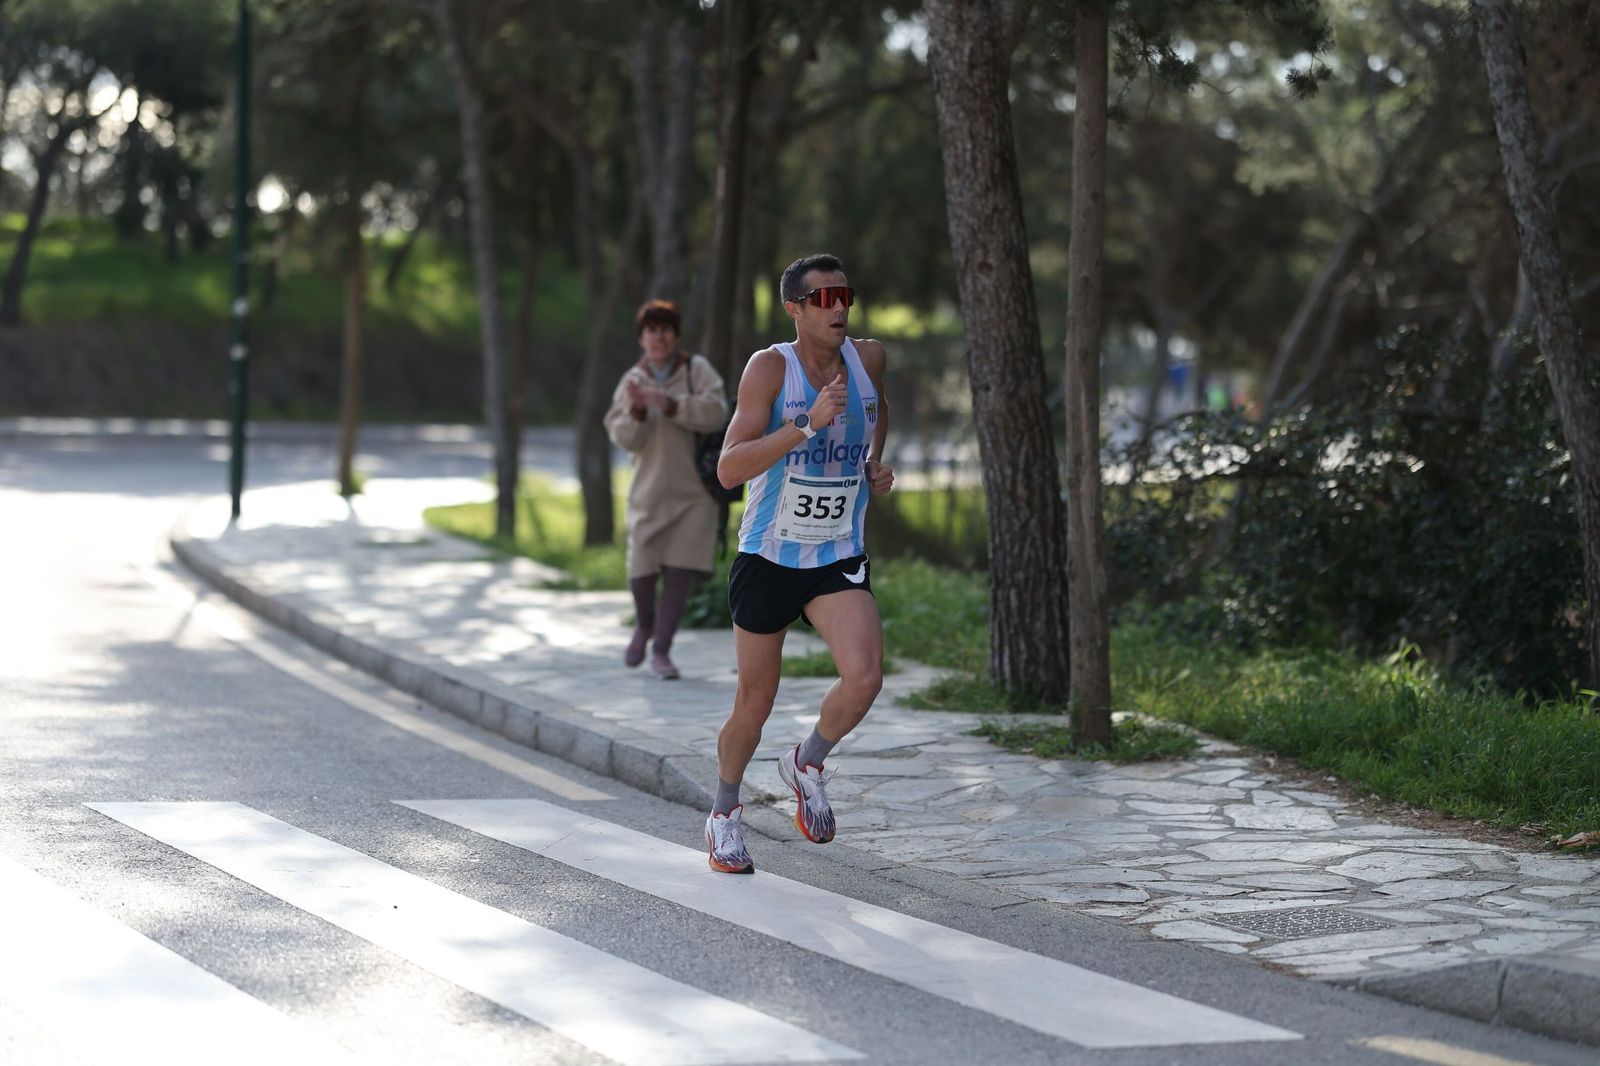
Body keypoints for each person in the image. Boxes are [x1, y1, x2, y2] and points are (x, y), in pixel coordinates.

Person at [703, 253, 894, 874]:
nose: (839, 307)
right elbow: (730, 468)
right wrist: (806, 427)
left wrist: (871, 462)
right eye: (824, 298)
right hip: (769, 554)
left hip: (835, 551)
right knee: (755, 701)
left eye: (846, 295)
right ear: (795, 309)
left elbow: (876, 408)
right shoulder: (769, 370)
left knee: (864, 678)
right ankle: (725, 812)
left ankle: (807, 760)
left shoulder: (868, 360)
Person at [603, 299, 730, 680]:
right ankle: (644, 625)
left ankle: (661, 650)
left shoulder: (697, 370)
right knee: (641, 573)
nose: (658, 337)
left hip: (696, 495)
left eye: (664, 329)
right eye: (650, 330)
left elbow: (718, 413)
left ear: (674, 335)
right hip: (648, 493)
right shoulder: (632, 380)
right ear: (641, 338)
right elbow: (622, 436)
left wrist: (673, 405)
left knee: (679, 575)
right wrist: (638, 412)